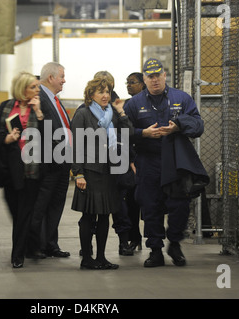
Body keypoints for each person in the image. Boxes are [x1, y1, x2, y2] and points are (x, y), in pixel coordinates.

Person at [124, 58, 204, 267]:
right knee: (151, 206)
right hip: (148, 162)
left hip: (176, 163)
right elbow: (122, 134)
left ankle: (175, 243)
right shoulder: (133, 104)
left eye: (158, 75)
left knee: (180, 205)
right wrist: (144, 134)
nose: (155, 80)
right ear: (144, 79)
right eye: (150, 76)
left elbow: (198, 126)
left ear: (164, 75)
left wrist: (178, 126)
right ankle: (156, 249)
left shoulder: (182, 98)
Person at [71, 76, 133, 270]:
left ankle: (101, 257)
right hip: (89, 173)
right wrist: (78, 173)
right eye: (101, 92)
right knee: (89, 217)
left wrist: (122, 113)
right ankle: (87, 258)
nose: (105, 95)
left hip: (108, 172)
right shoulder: (83, 114)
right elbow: (76, 146)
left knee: (105, 216)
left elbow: (129, 133)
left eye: (107, 92)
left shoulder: (112, 114)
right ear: (91, 95)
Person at [0, 71, 45, 268]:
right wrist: (6, 139)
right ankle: (31, 244)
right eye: (33, 87)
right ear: (22, 90)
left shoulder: (40, 108)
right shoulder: (6, 107)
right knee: (16, 211)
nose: (37, 90)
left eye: (38, 87)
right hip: (10, 169)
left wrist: (39, 113)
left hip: (32, 169)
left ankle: (18, 255)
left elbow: (50, 136)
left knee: (24, 212)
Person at [26, 62, 71, 259]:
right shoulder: (39, 97)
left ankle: (50, 244)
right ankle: (34, 245)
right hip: (48, 163)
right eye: (61, 76)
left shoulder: (54, 99)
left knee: (55, 205)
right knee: (40, 206)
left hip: (62, 161)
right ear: (51, 78)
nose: (64, 80)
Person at [122, 72, 146, 252]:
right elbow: (125, 136)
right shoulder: (127, 105)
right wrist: (130, 159)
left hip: (148, 157)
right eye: (127, 83)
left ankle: (153, 239)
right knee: (131, 202)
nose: (129, 85)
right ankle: (134, 238)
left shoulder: (149, 102)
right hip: (132, 161)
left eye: (133, 82)